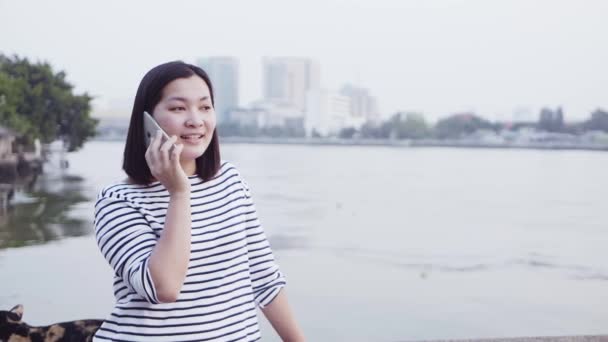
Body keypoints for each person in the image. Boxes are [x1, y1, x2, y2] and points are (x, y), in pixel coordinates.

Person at [93, 61, 305, 341]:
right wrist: (179, 193)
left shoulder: (229, 180)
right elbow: (163, 287)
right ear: (148, 121)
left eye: (205, 107)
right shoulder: (118, 201)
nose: (196, 120)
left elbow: (264, 278)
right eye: (178, 108)